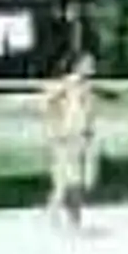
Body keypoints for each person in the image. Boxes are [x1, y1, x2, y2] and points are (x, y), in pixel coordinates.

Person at [37, 52, 100, 234]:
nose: (92, 66)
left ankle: (72, 221)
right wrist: (56, 128)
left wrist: (89, 133)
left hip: (79, 137)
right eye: (88, 63)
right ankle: (55, 219)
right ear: (78, 65)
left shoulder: (87, 87)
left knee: (74, 182)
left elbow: (88, 113)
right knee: (66, 182)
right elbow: (47, 102)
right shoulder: (69, 83)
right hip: (65, 138)